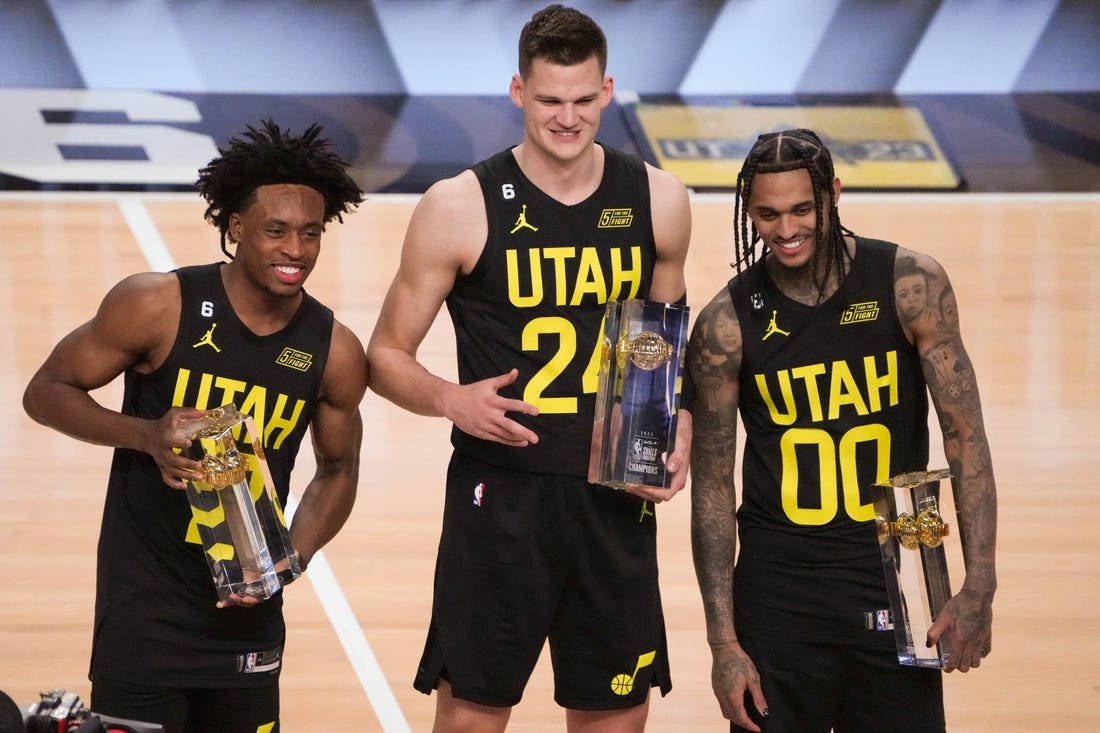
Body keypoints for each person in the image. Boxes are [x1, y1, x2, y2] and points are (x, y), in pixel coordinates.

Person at [366, 4, 691, 731]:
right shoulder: (457, 206)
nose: (567, 118)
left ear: (608, 91)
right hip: (499, 497)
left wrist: (683, 424)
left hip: (614, 496)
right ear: (519, 93)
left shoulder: (660, 200)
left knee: (613, 715)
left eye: (583, 100)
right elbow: (383, 356)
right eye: (549, 100)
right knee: (473, 717)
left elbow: (665, 347)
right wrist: (450, 398)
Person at [22, 120, 368, 733]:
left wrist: (286, 561)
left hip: (248, 622)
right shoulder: (157, 304)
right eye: (276, 230)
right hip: (143, 612)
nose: (296, 250)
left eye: (310, 234)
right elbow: (45, 392)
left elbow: (338, 472)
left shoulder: (333, 349)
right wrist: (145, 434)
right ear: (236, 228)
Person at [687, 129, 997, 732]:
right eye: (767, 214)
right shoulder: (725, 323)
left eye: (802, 209)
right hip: (780, 596)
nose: (785, 230)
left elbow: (967, 440)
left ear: (832, 195)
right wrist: (723, 645)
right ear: (747, 210)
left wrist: (979, 583)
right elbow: (713, 489)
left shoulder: (910, 285)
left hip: (901, 579)